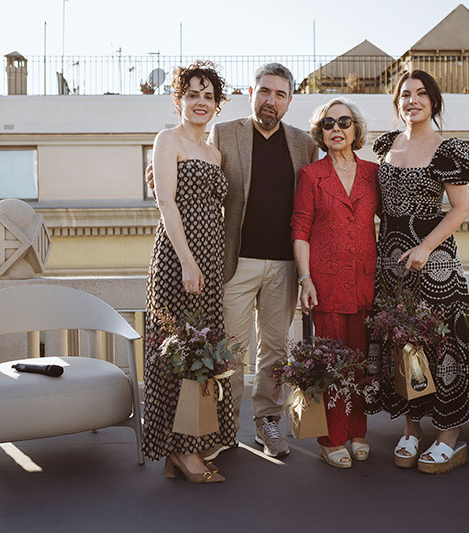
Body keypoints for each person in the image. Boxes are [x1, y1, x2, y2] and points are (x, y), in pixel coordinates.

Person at [366, 70, 469, 474]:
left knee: (442, 346)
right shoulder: (387, 145)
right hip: (391, 266)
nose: (413, 100)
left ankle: (449, 435)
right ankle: (412, 427)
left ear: (434, 102)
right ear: (397, 103)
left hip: (435, 263)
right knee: (402, 345)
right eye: (405, 94)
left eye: (421, 94)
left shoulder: (448, 149)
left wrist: (425, 247)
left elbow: (462, 208)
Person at [209, 64, 319, 457]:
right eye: (265, 91)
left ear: (289, 102)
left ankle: (267, 421)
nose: (271, 100)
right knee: (231, 349)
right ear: (251, 93)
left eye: (280, 95)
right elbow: (203, 177)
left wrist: (308, 273)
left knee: (274, 350)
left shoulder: (304, 143)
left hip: (285, 265)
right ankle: (223, 426)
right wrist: (163, 172)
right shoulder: (224, 133)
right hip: (236, 262)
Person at [142, 61, 235, 483]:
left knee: (201, 354)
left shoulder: (215, 153)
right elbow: (165, 202)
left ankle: (185, 448)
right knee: (177, 353)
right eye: (193, 94)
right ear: (178, 100)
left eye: (208, 96)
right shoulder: (168, 140)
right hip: (179, 260)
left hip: (210, 262)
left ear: (217, 105)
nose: (201, 102)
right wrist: (187, 261)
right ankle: (182, 452)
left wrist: (205, 263)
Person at [290, 98, 379, 468]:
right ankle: (332, 439)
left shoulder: (373, 173)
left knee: (359, 361)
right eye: (328, 124)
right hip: (325, 282)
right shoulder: (311, 175)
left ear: (356, 129)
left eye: (344, 121)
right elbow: (300, 229)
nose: (336, 129)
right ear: (320, 132)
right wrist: (305, 279)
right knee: (333, 362)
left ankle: (358, 432)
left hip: (365, 282)